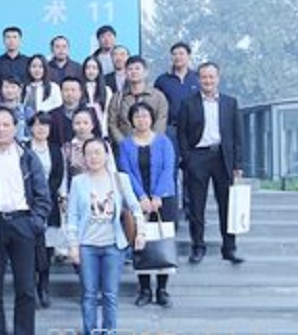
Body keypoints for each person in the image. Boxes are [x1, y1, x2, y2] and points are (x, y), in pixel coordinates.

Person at [0, 105, 51, 335]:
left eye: (6, 125)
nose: (1, 129)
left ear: (15, 127)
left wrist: (35, 223)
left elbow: (43, 196)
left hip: (24, 224)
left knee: (26, 288)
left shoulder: (28, 158)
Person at [67, 137, 146, 335]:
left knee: (110, 294)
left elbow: (135, 208)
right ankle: (90, 331)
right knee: (89, 294)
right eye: (89, 153)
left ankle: (110, 331)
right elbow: (72, 216)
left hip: (113, 245)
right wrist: (73, 245)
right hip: (87, 245)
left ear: (106, 155)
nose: (93, 157)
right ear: (83, 157)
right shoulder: (78, 182)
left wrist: (141, 232)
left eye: (98, 152)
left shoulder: (120, 179)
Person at [178, 62, 244, 264]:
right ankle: (198, 247)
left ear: (218, 78)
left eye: (211, 77)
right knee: (196, 206)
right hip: (197, 157)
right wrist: (187, 158)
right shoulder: (188, 103)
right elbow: (181, 133)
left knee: (227, 205)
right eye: (204, 77)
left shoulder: (230, 103)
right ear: (198, 79)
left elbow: (237, 136)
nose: (208, 81)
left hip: (223, 157)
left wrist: (238, 165)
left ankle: (229, 248)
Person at [117, 102, 177, 307]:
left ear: (151, 119)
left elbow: (168, 169)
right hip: (137, 200)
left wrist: (157, 195)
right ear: (131, 121)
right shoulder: (125, 145)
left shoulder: (164, 141)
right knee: (140, 241)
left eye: (145, 116)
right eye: (137, 116)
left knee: (162, 241)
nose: (141, 120)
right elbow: (126, 172)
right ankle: (144, 289)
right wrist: (141, 197)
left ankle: (162, 289)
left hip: (164, 199)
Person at [154, 41, 200, 216]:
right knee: (169, 170)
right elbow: (157, 105)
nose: (178, 57)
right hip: (170, 129)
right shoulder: (162, 80)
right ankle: (171, 211)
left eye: (181, 53)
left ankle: (191, 209)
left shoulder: (196, 78)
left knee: (192, 170)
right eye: (174, 54)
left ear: (188, 56)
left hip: (193, 130)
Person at [26, 112, 66, 309]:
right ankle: (31, 288)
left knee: (47, 250)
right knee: (29, 249)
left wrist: (48, 194)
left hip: (49, 203)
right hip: (27, 204)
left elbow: (59, 176)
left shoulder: (56, 150)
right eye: (37, 124)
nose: (41, 128)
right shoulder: (23, 149)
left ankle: (44, 287)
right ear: (30, 128)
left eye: (45, 125)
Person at [108, 55, 169, 147]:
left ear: (145, 72)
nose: (134, 72)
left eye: (137, 68)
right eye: (130, 69)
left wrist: (151, 143)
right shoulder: (117, 97)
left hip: (152, 147)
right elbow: (112, 124)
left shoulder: (158, 97)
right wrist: (124, 143)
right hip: (125, 147)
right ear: (125, 73)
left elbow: (161, 121)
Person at [0, 77, 34, 146]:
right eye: (6, 87)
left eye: (13, 87)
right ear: (1, 89)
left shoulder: (27, 111)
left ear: (20, 90)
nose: (10, 90)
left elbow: (32, 135)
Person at [64, 107, 102, 184]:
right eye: (77, 123)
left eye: (86, 123)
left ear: (92, 125)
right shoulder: (67, 148)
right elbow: (64, 174)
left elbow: (111, 168)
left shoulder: (102, 145)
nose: (81, 127)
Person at [82, 56, 113, 138]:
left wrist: (104, 132)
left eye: (94, 68)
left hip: (101, 130)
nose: (91, 71)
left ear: (99, 71)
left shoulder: (106, 90)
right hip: (82, 130)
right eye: (88, 68)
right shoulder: (78, 88)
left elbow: (107, 112)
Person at [49, 76, 85, 147]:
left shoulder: (90, 113)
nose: (69, 93)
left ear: (80, 93)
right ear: (61, 92)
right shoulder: (52, 115)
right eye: (66, 90)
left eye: (73, 90)